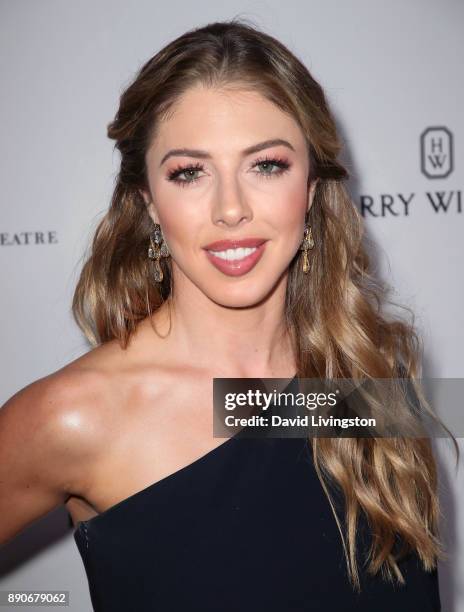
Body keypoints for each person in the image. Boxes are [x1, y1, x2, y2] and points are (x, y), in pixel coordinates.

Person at [0, 18, 452, 612]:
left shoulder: (368, 373)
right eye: (189, 173)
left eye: (266, 165)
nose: (231, 208)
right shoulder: (74, 418)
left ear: (312, 188)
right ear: (149, 203)